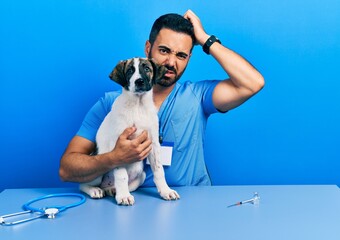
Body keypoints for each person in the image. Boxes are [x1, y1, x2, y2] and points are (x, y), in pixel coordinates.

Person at [59, 10, 264, 187]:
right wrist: (113, 158)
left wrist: (205, 40)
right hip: (134, 204)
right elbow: (66, 170)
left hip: (192, 202)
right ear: (148, 48)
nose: (171, 62)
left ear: (189, 59)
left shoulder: (199, 96)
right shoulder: (109, 105)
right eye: (164, 50)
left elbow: (253, 83)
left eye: (181, 55)